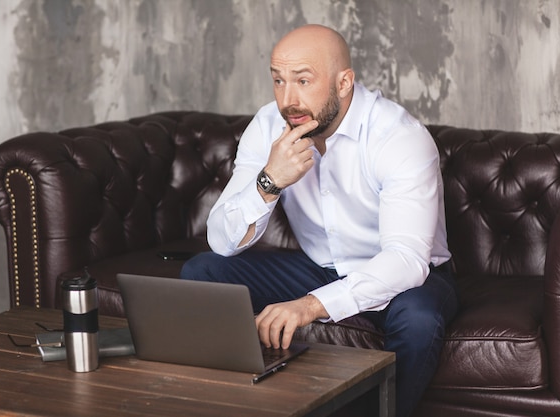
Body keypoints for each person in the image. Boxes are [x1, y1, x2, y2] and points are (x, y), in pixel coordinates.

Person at [181, 24, 458, 417]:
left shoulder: (399, 136)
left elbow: (405, 258)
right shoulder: (267, 127)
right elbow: (221, 241)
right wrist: (269, 182)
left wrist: (309, 306)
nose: (287, 99)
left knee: (419, 319)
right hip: (322, 267)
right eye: (278, 81)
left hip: (411, 277)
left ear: (344, 82)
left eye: (303, 80)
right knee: (202, 273)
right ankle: (237, 404)